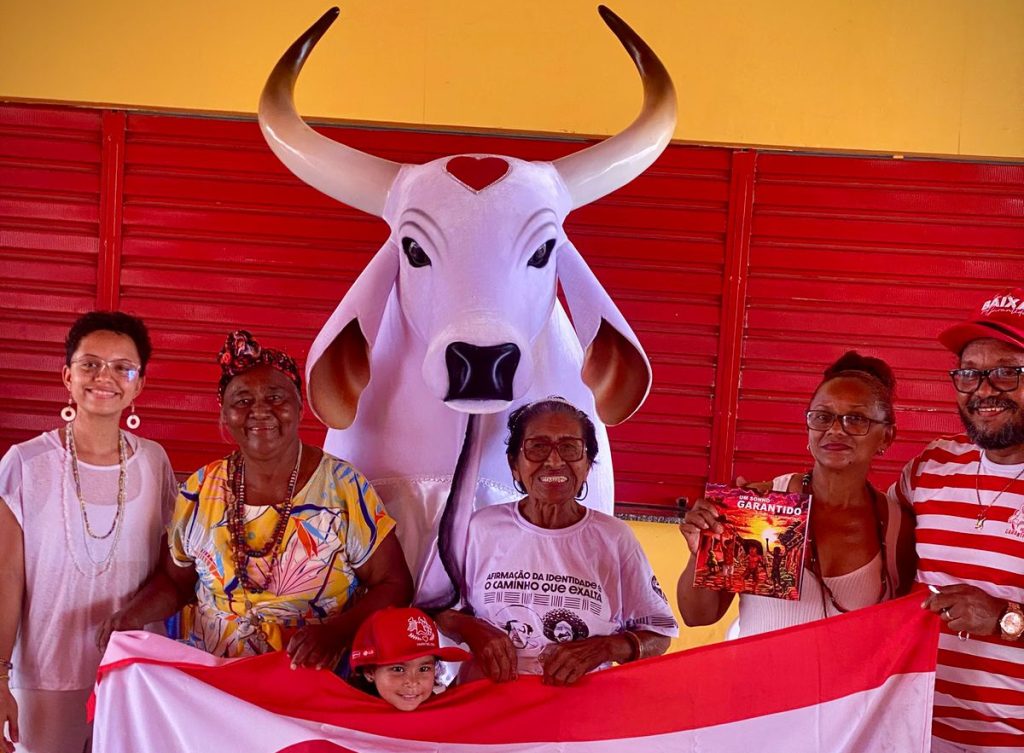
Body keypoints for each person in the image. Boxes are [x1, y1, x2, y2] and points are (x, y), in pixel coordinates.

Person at [100, 330, 413, 669]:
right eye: (242, 401)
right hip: (213, 681)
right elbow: (176, 582)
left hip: (310, 680)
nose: (260, 411)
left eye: (276, 397)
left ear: (299, 407)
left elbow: (394, 584)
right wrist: (130, 617)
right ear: (225, 415)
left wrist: (337, 632)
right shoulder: (201, 489)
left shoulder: (342, 487)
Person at [0, 311, 177, 753]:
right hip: (45, 675)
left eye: (123, 368)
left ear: (139, 385)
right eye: (90, 364)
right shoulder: (24, 463)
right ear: (68, 376)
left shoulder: (154, 462)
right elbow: (5, 577)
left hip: (134, 673)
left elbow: (171, 569)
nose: (105, 377)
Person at [437, 398, 677, 686]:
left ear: (588, 465)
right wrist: (471, 629)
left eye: (569, 448)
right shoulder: (479, 528)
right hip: (488, 701)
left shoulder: (614, 538)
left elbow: (659, 634)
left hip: (579, 706)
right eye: (538, 447)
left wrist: (605, 647)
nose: (554, 461)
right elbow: (437, 609)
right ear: (514, 464)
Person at [677, 351, 917, 636]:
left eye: (856, 419)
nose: (836, 430)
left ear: (886, 436)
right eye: (823, 417)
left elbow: (901, 631)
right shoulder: (761, 506)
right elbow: (697, 616)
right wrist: (701, 552)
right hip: (761, 667)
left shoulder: (896, 528)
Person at [896, 288, 1024, 753]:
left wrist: (1006, 619)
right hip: (914, 734)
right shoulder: (931, 465)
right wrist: (771, 502)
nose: (984, 390)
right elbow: (858, 531)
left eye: (1007, 372)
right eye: (969, 373)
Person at [349, 607, 470, 711]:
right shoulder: (348, 721)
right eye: (398, 669)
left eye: (424, 668)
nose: (413, 681)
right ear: (369, 672)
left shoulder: (443, 715)